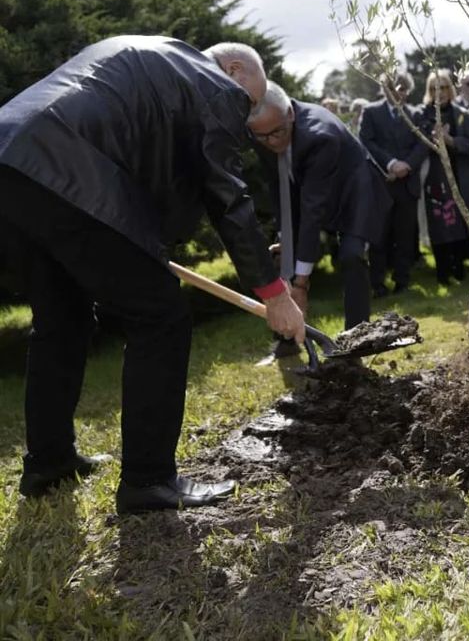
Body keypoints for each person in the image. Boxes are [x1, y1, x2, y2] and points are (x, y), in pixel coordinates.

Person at [0, 36, 305, 513]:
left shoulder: (155, 60)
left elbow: (148, 169)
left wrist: (148, 243)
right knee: (161, 317)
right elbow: (227, 197)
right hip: (66, 167)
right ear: (234, 71)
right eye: (249, 102)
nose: (242, 115)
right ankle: (148, 479)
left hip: (12, 159)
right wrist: (275, 293)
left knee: (62, 318)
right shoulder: (213, 85)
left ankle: (48, 461)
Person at [248, 82, 392, 334]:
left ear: (290, 115)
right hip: (315, 192)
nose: (271, 141)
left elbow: (311, 209)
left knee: (351, 255)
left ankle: (358, 335)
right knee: (284, 258)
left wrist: (301, 284)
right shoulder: (263, 128)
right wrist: (284, 238)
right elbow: (278, 186)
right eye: (263, 136)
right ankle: (287, 342)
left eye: (277, 132)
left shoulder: (319, 136)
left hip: (356, 192)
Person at [359, 72, 429, 296]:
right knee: (379, 237)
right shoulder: (371, 112)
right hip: (381, 184)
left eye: (403, 89)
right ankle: (377, 284)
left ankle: (402, 281)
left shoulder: (416, 114)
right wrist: (390, 164)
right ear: (384, 89)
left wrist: (406, 165)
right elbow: (366, 142)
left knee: (405, 236)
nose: (399, 93)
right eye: (394, 88)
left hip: (407, 185)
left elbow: (423, 144)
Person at [420, 69, 469, 284]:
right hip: (436, 179)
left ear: (451, 89)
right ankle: (443, 272)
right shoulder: (423, 114)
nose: (440, 92)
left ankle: (460, 269)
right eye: (435, 88)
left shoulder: (462, 114)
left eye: (444, 87)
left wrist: (450, 140)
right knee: (440, 224)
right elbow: (419, 144)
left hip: (460, 176)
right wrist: (434, 140)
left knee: (462, 222)